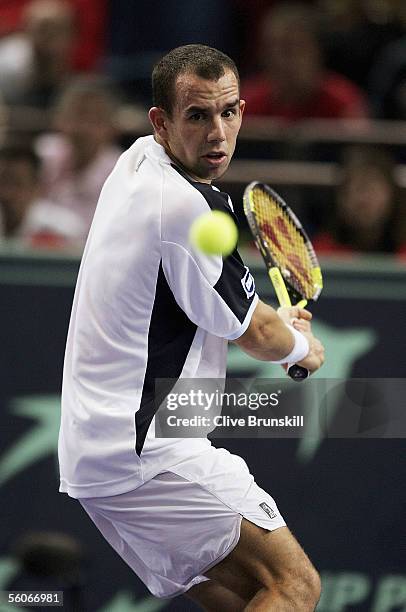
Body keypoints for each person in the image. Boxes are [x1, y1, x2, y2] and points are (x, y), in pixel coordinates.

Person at [58, 45, 324, 610]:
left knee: (251, 595)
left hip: (98, 453)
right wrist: (301, 346)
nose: (217, 133)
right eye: (197, 116)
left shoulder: (135, 160)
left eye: (228, 112)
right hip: (146, 452)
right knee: (294, 588)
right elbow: (256, 335)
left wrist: (275, 326)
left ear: (244, 112)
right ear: (161, 121)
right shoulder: (185, 209)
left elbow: (217, 306)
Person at [241, 2, 369, 121]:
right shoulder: (246, 103)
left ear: (317, 51)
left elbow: (360, 144)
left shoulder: (343, 103)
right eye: (270, 49)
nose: (278, 60)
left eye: (290, 49)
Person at [36, 76, 122, 238]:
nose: (82, 128)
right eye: (75, 115)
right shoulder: (42, 155)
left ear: (112, 127)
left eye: (94, 119)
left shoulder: (122, 172)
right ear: (57, 120)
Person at [313, 145, 406, 256]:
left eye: (373, 189)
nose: (365, 199)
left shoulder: (403, 251)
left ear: (393, 196)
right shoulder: (320, 252)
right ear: (341, 198)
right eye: (358, 189)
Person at [0, 144, 85, 246]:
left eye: (16, 184)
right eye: (2, 183)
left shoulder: (65, 231)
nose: (6, 193)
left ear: (36, 188)